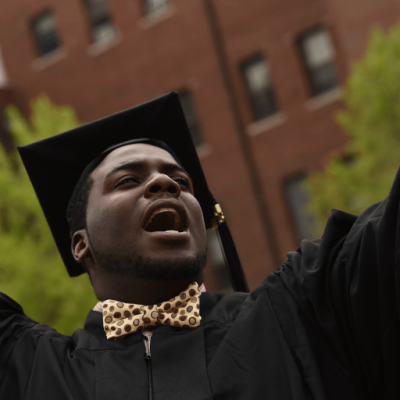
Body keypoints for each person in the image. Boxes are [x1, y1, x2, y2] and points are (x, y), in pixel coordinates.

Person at [0, 92, 399, 399]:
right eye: (127, 180)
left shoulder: (299, 313)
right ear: (80, 244)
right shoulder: (32, 369)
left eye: (182, 182)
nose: (165, 184)